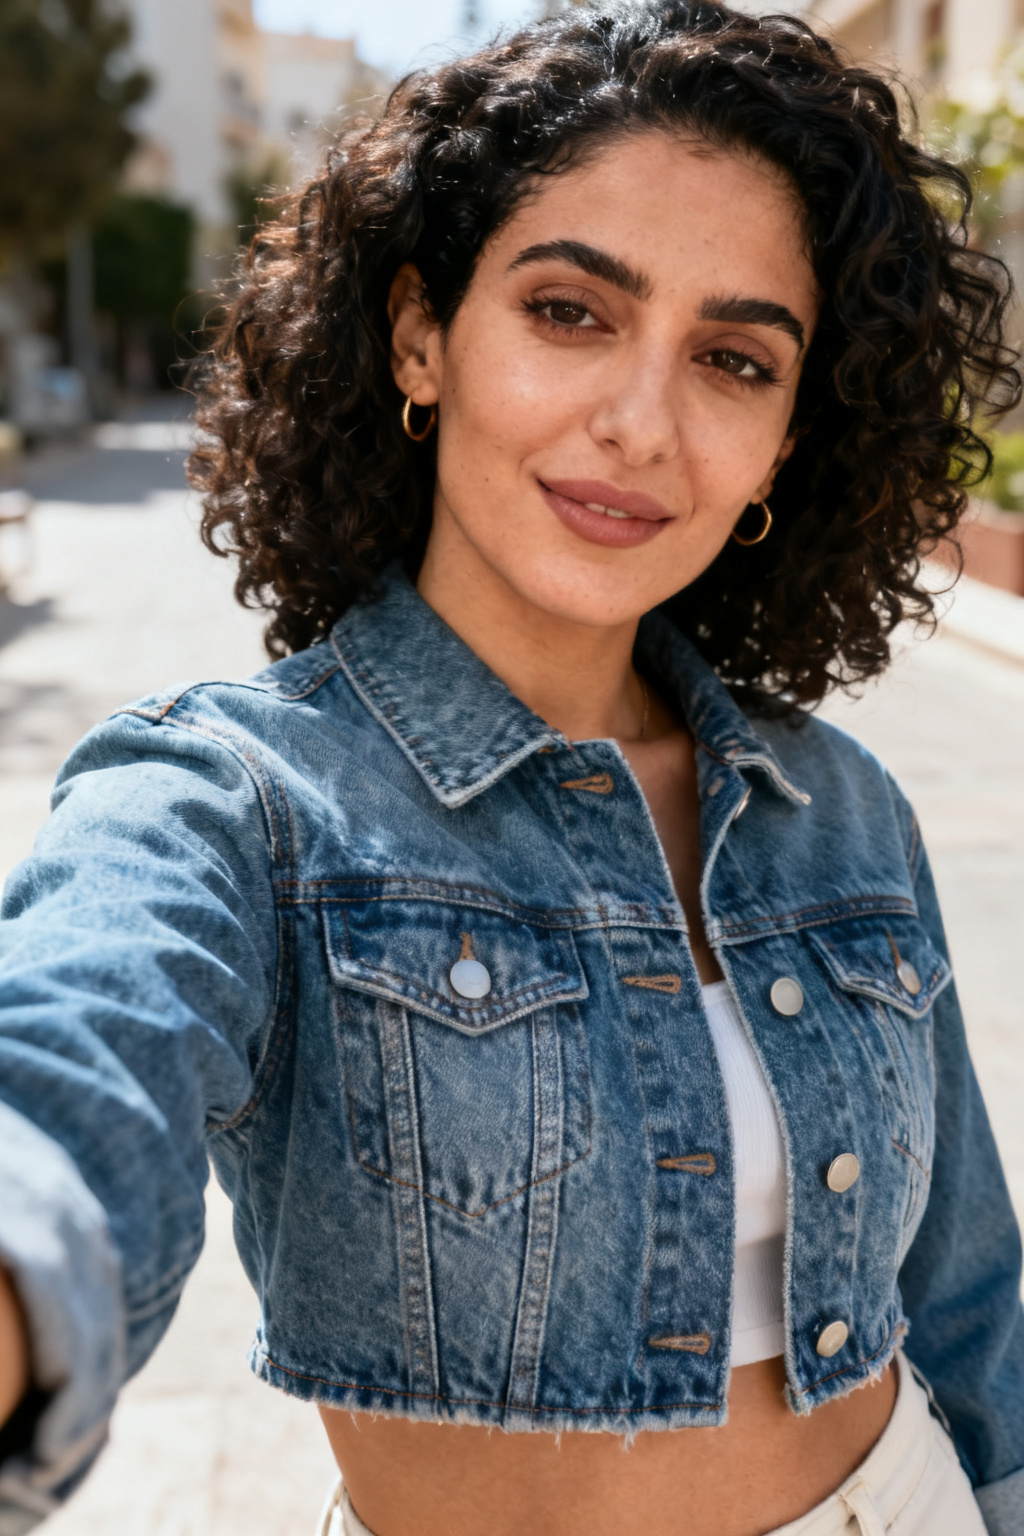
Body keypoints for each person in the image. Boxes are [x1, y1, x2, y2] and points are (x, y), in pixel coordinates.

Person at [2, 1, 1024, 1532]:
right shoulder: (234, 797)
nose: (640, 423)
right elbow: (71, 1076)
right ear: (423, 332)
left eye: (735, 360)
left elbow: (967, 1299)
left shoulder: (837, 807)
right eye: (569, 311)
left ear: (789, 439)